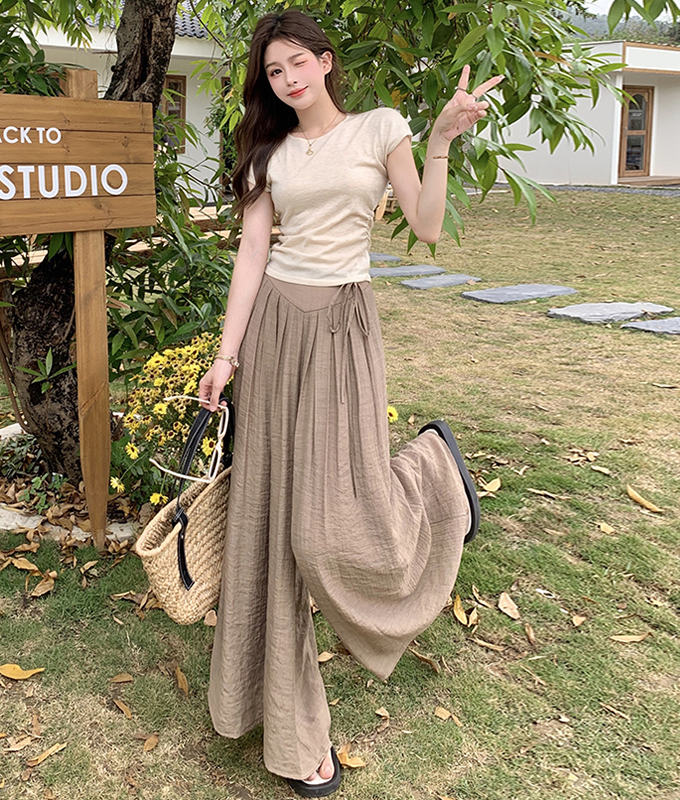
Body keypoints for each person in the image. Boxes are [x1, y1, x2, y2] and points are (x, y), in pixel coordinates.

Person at [198, 9, 500, 797]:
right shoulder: (269, 151)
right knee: (266, 525)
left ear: (326, 61)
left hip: (343, 329)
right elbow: (253, 252)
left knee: (323, 527)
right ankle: (290, 726)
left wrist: (441, 140)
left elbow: (426, 227)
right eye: (273, 71)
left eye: (298, 62)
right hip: (275, 332)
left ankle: (434, 472)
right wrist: (227, 355)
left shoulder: (380, 128)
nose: (288, 79)